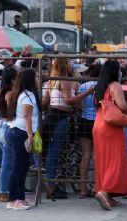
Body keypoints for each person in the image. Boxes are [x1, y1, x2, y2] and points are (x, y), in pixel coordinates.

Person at [42, 58, 93, 201]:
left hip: (51, 117)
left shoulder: (52, 80)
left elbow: (45, 101)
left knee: (52, 153)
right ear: (65, 65)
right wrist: (88, 92)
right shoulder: (63, 80)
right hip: (59, 118)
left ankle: (50, 184)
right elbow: (69, 100)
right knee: (54, 153)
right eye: (70, 62)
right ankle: (51, 186)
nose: (72, 65)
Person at [92, 61, 127, 210]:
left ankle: (108, 195)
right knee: (115, 160)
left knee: (104, 160)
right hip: (111, 126)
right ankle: (104, 192)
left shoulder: (99, 86)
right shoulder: (115, 85)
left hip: (98, 124)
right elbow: (122, 105)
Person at [5, 68, 41, 210]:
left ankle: (20, 197)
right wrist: (30, 135)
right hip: (20, 132)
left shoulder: (25, 94)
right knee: (17, 167)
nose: (38, 79)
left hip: (19, 132)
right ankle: (13, 199)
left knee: (23, 166)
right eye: (36, 77)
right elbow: (27, 115)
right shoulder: (27, 95)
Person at [77, 63, 100, 198]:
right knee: (98, 156)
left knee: (85, 156)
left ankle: (83, 189)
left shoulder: (82, 86)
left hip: (84, 121)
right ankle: (98, 187)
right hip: (98, 122)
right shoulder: (103, 86)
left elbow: (79, 106)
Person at [0, 66, 17, 202]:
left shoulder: (3, 91)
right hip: (7, 125)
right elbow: (10, 112)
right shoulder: (9, 93)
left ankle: (3, 190)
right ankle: (3, 192)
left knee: (7, 162)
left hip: (2, 126)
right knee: (7, 163)